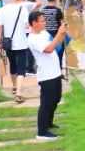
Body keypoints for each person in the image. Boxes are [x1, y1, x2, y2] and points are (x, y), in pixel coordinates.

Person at [26, 10, 66, 140]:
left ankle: (48, 123)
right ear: (34, 23)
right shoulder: (32, 39)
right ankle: (42, 132)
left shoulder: (44, 33)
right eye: (42, 21)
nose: (45, 23)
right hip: (46, 75)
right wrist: (58, 33)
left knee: (56, 99)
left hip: (55, 72)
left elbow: (55, 45)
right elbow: (48, 49)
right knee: (46, 103)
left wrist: (62, 33)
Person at [0, 0, 30, 103]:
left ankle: (14, 86)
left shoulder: (3, 9)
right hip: (21, 43)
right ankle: (18, 93)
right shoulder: (23, 9)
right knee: (21, 69)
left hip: (8, 43)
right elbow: (27, 25)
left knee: (13, 66)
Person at [40, 0, 65, 69]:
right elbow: (62, 25)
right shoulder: (58, 10)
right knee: (59, 54)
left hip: (46, 37)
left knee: (48, 55)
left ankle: (50, 69)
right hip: (57, 37)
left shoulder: (42, 10)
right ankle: (59, 70)